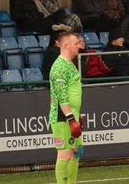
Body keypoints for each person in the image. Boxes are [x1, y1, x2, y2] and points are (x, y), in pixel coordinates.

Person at [48, 31, 84, 184]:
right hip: (63, 118)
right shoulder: (59, 68)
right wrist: (71, 119)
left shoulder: (70, 64)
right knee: (64, 154)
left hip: (72, 115)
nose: (79, 47)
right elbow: (61, 97)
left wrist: (77, 115)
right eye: (76, 44)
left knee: (77, 152)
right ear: (66, 46)